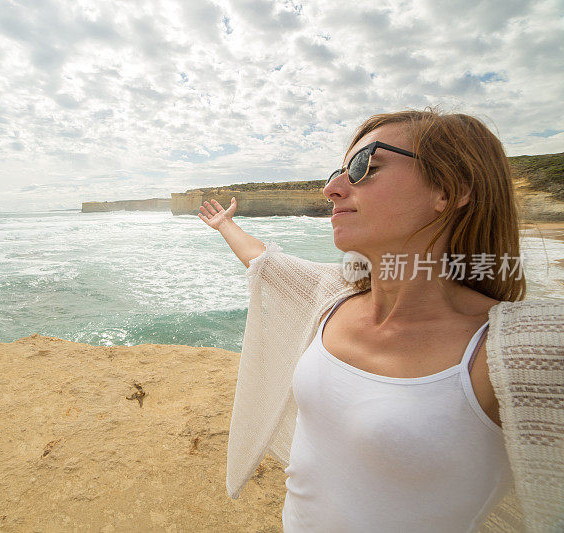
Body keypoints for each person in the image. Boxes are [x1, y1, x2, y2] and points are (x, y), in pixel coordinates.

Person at [198, 109, 564, 532]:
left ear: (448, 190)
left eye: (364, 167)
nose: (331, 188)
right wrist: (225, 225)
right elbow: (265, 262)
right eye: (338, 171)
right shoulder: (333, 295)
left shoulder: (516, 350)